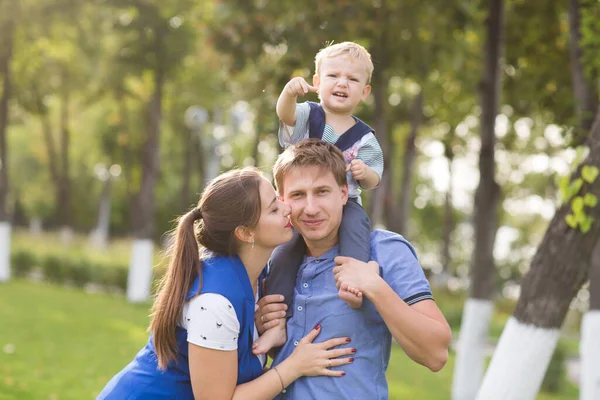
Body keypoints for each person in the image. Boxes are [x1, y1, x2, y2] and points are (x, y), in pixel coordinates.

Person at [97, 167, 356, 400]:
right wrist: (294, 366)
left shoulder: (257, 276)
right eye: (274, 208)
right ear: (245, 233)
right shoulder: (214, 304)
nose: (287, 207)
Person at [256, 140, 451, 399]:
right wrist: (260, 324)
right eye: (298, 195)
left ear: (344, 193)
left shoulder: (385, 251)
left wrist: (375, 286)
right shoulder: (276, 259)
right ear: (283, 201)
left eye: (322, 191)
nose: (311, 208)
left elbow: (435, 354)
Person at [258, 41, 384, 353]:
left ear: (364, 92)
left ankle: (351, 281)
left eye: (352, 80)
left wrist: (364, 172)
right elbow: (285, 115)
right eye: (333, 76)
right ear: (317, 82)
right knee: (284, 253)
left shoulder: (365, 137)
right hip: (299, 201)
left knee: (357, 230)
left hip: (346, 204)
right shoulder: (308, 116)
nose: (342, 83)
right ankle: (275, 323)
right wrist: (288, 93)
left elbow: (374, 177)